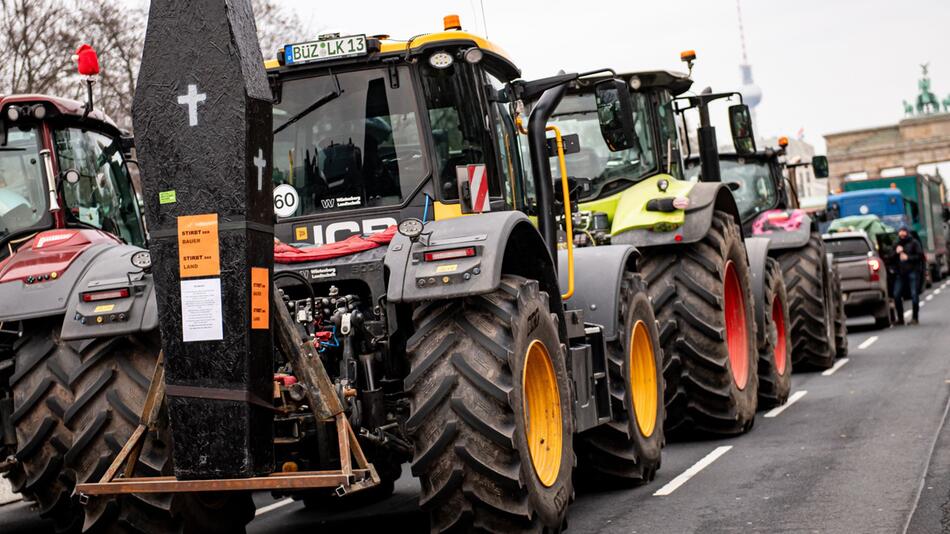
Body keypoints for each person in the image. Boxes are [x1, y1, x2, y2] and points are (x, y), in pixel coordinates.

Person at [892, 225, 923, 325]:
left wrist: (908, 257)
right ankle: (900, 319)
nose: (901, 234)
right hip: (900, 273)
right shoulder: (896, 244)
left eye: (903, 231)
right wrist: (896, 253)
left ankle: (915, 317)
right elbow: (889, 257)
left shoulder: (914, 242)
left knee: (914, 294)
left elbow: (920, 256)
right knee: (896, 295)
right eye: (900, 232)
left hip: (913, 271)